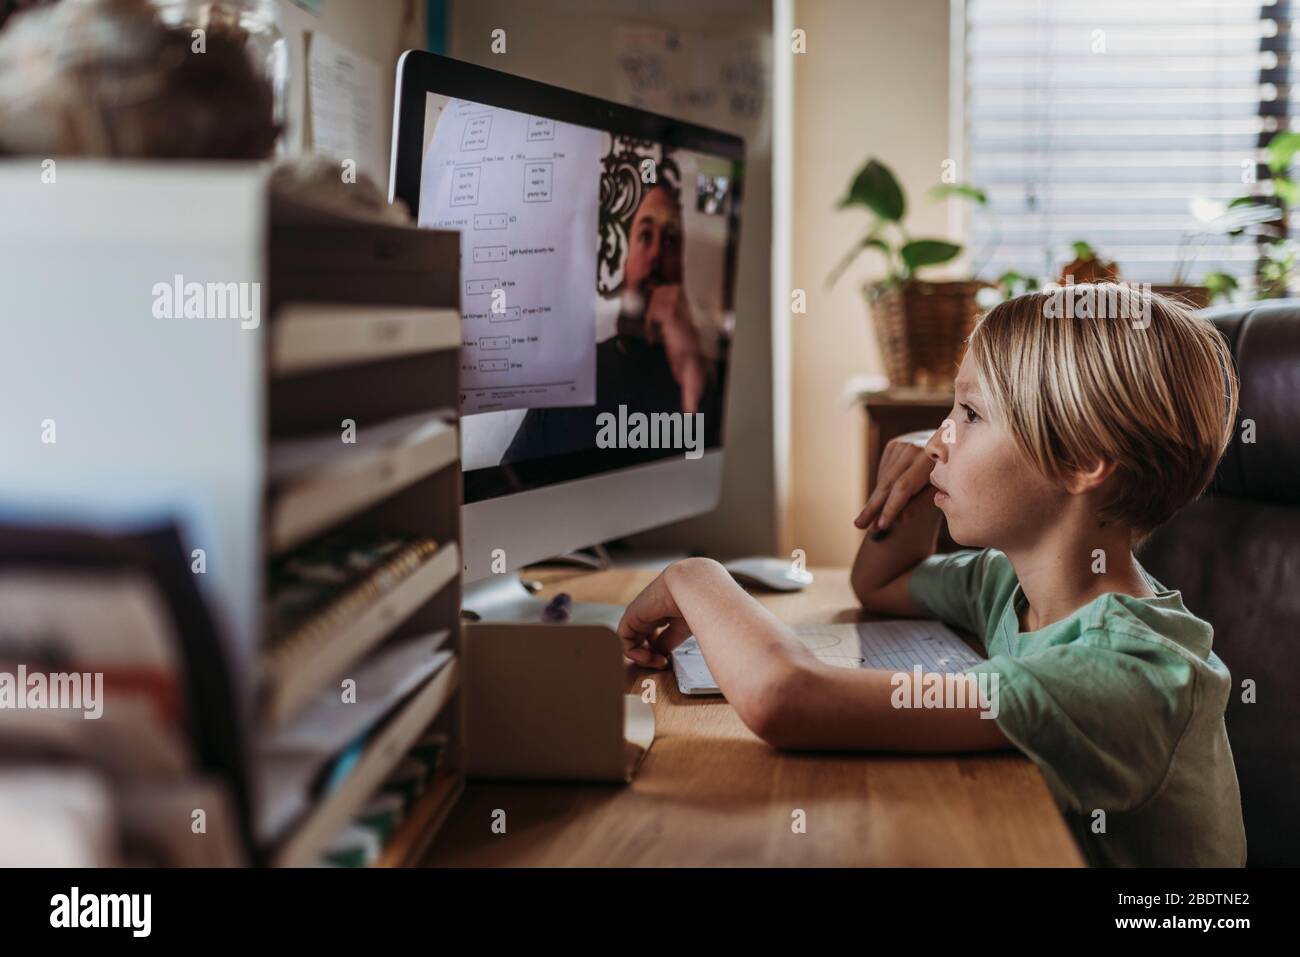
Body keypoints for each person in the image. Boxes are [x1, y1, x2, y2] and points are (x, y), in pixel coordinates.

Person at [617, 284, 1247, 867]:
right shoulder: (1013, 585)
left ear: (1082, 460)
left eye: (969, 414)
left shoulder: (1125, 672)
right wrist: (924, 477)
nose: (938, 440)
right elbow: (884, 585)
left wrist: (693, 575)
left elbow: (789, 699)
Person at [501, 180, 721, 465]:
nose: (656, 253)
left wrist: (693, 373)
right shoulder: (574, 374)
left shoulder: (711, 381)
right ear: (626, 262)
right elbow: (506, 485)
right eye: (645, 235)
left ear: (680, 267)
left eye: (670, 241)